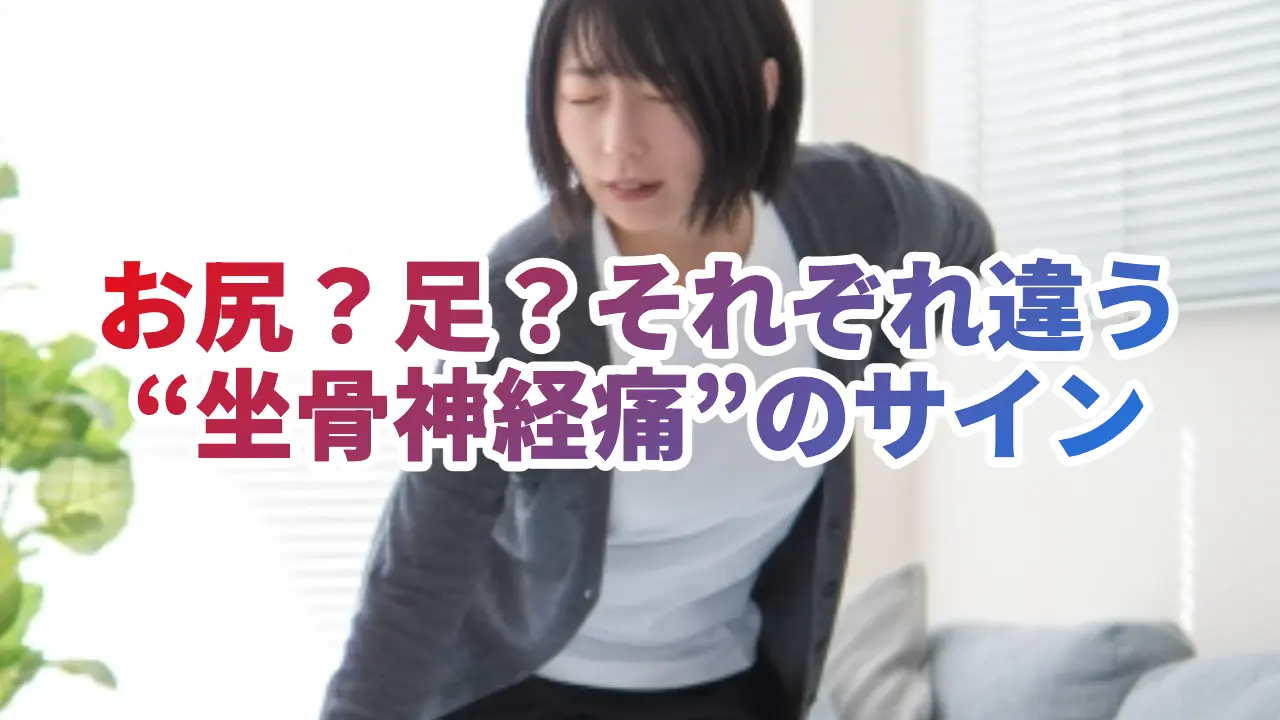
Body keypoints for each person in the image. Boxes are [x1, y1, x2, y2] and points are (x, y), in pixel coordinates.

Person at [319, 1, 994, 718]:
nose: (619, 143)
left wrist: (862, 364)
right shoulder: (525, 297)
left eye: (666, 93)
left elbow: (968, 249)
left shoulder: (847, 212)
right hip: (521, 689)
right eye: (585, 96)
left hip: (728, 684)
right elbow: (420, 569)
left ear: (760, 88)